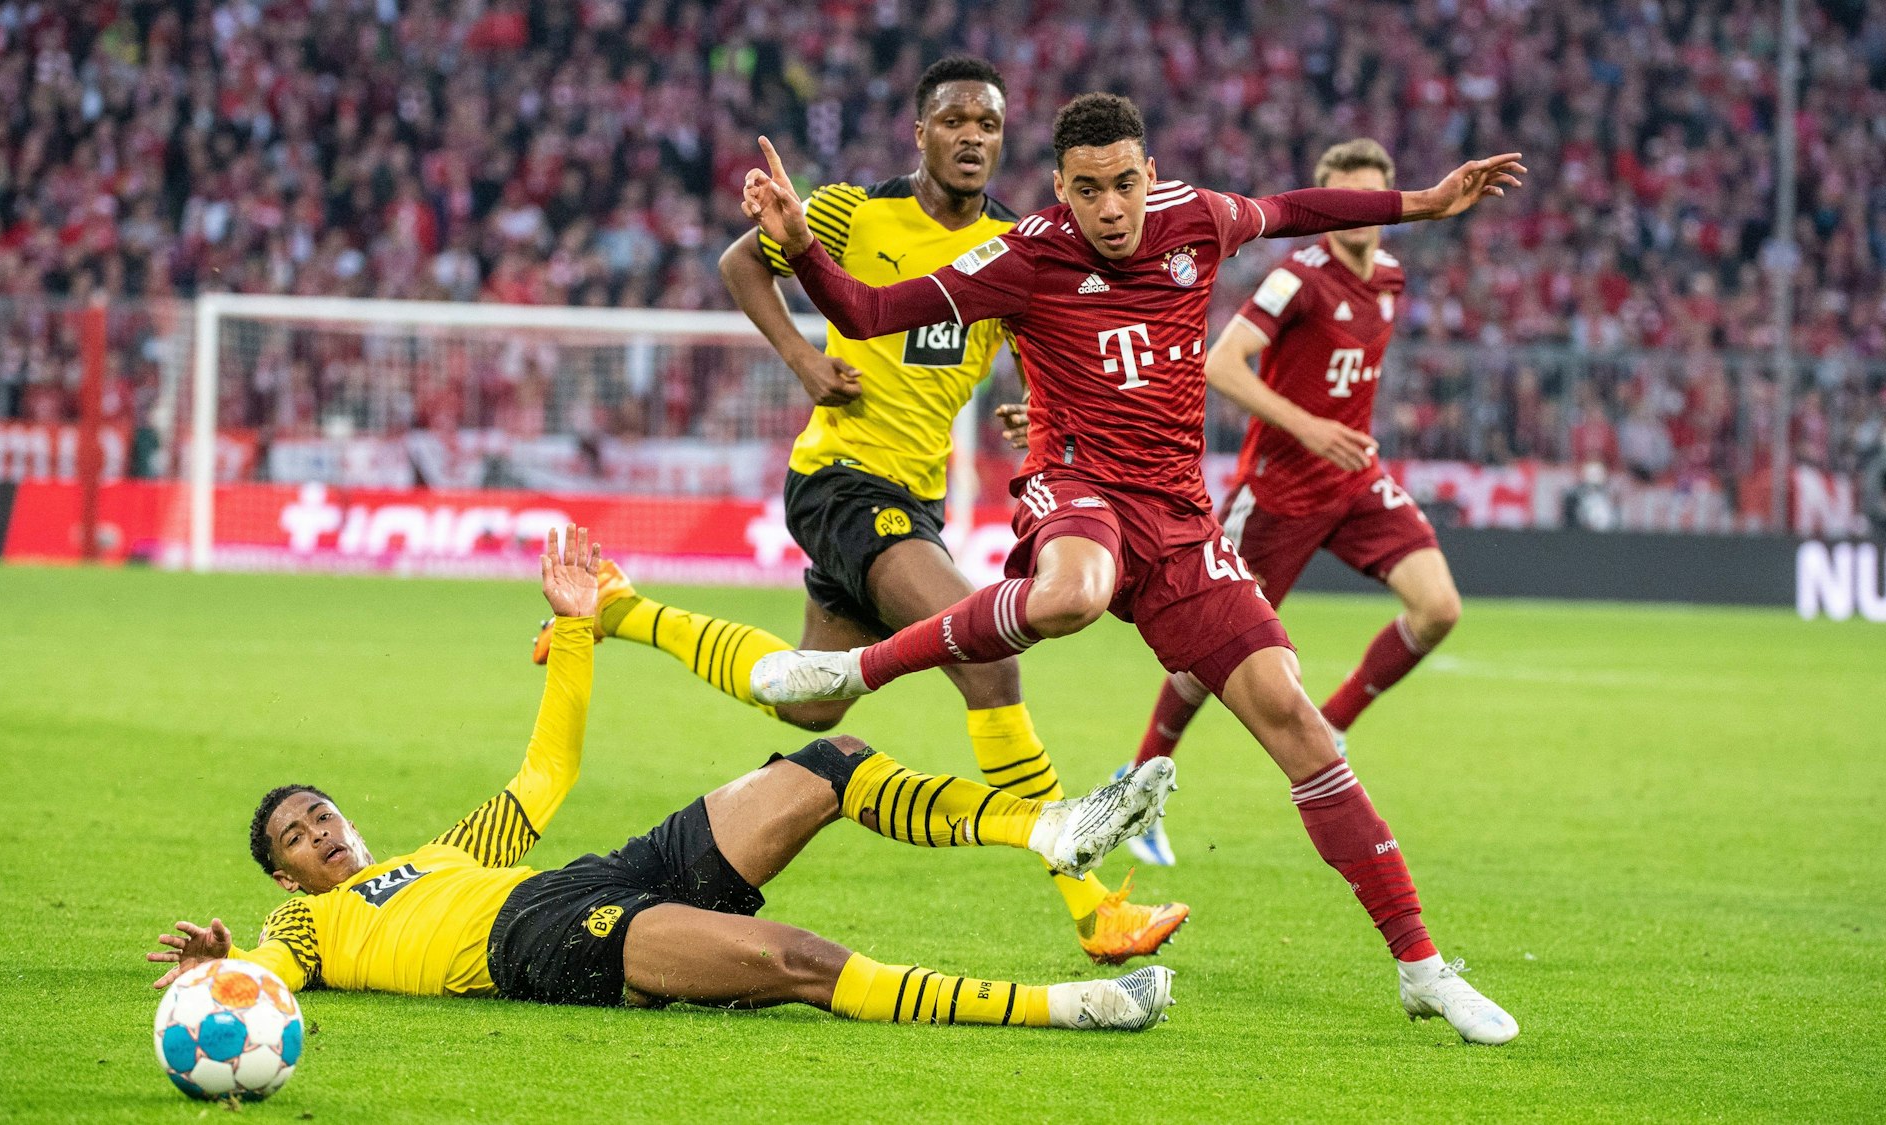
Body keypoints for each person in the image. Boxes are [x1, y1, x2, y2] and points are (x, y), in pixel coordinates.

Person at [740, 93, 1525, 1044]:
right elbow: (867, 310)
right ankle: (858, 666)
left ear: (1149, 175)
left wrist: (1426, 204)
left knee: (1299, 724)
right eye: (1086, 191)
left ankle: (1423, 968)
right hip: (1074, 487)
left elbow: (1298, 208)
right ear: (1059, 191)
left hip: (1182, 518)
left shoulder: (1200, 219)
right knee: (1073, 591)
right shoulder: (1027, 254)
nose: (1109, 210)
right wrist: (805, 251)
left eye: (1123, 186)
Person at [532, 57, 1186, 964]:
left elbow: (1042, 338)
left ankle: (620, 611)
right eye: (954, 120)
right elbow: (740, 263)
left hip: (913, 498)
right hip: (842, 480)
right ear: (921, 132)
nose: (971, 136)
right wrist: (804, 362)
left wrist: (1039, 404)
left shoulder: (1024, 244)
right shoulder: (852, 212)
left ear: (1005, 141)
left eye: (988, 124)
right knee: (989, 659)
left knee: (812, 704)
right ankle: (1091, 906)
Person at [149, 526, 1178, 1032]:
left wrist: (575, 624)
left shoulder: (444, 851)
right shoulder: (302, 930)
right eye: (296, 835)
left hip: (590, 877)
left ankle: (1044, 832)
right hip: (536, 944)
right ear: (286, 878)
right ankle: (1069, 1005)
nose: (320, 832)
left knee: (829, 761)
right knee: (798, 962)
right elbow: (263, 982)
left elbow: (546, 773)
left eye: (321, 813)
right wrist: (219, 961)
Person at [1061, 139, 1470, 867]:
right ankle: (1137, 776)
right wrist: (1311, 426)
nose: (1358, 211)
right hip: (1279, 491)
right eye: (1344, 195)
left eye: (1371, 194)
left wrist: (1339, 432)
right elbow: (1222, 363)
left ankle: (1333, 724)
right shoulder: (1296, 278)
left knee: (1438, 607)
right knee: (1207, 651)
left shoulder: (1393, 277)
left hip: (1353, 481)